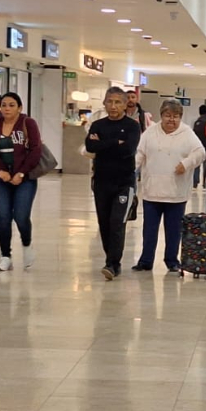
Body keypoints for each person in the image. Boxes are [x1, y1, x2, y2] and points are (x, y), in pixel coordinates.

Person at [133, 99, 205, 274]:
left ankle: (172, 260)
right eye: (167, 116)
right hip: (152, 191)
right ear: (161, 116)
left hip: (176, 193)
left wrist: (186, 163)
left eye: (176, 116)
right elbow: (139, 155)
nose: (171, 120)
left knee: (173, 231)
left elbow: (200, 152)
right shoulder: (150, 133)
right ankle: (146, 260)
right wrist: (129, 171)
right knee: (149, 230)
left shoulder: (187, 133)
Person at [0, 92, 43, 272]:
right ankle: (5, 256)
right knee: (4, 217)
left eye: (11, 105)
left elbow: (35, 150)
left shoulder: (27, 123)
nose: (7, 108)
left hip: (25, 179)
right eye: (4, 105)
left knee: (21, 216)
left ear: (20, 107)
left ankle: (26, 244)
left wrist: (21, 173)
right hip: (2, 179)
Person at [85, 86, 141, 281]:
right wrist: (114, 142)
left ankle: (113, 264)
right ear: (104, 103)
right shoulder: (98, 125)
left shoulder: (133, 126)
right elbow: (90, 146)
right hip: (101, 181)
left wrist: (104, 145)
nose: (114, 106)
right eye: (110, 101)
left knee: (118, 222)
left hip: (124, 183)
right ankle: (111, 257)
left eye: (118, 102)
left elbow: (128, 150)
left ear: (126, 105)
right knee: (104, 223)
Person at [191, 104, 206, 187]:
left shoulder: (197, 122)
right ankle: (205, 182)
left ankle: (195, 182)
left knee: (197, 164)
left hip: (198, 146)